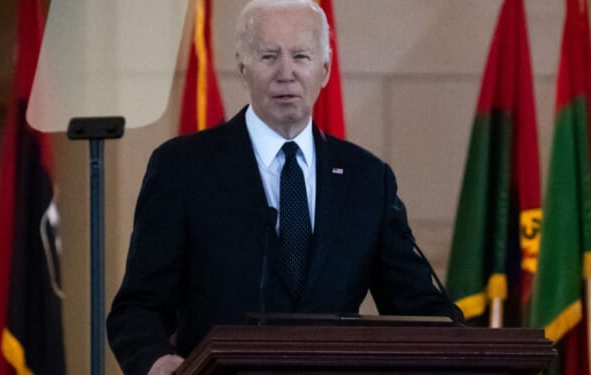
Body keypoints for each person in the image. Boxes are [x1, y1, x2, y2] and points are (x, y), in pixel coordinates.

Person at [107, 0, 463, 374]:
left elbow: (419, 309)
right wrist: (158, 362)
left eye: (301, 56)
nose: (286, 73)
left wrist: (463, 344)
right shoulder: (183, 168)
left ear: (325, 69)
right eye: (268, 56)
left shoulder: (367, 179)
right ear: (242, 66)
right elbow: (137, 308)